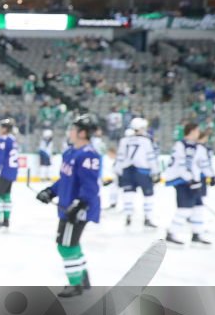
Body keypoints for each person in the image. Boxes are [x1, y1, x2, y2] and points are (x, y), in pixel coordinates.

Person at [36, 114, 102, 298]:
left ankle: (75, 284)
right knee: (71, 243)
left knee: (66, 246)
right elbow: (65, 180)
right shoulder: (70, 152)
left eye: (73, 129)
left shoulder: (88, 155)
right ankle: (83, 279)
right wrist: (50, 191)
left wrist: (79, 205)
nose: (70, 132)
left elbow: (90, 186)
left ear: (82, 133)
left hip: (78, 209)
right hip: (67, 206)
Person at [163, 123, 210, 246]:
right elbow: (180, 166)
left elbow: (202, 164)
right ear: (192, 131)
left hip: (193, 182)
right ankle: (171, 234)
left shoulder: (197, 147)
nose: (199, 133)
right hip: (183, 182)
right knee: (185, 209)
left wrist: (211, 175)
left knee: (198, 208)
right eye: (197, 130)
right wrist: (190, 180)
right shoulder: (181, 145)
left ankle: (197, 234)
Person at [115, 118, 159, 228]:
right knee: (148, 195)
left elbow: (120, 157)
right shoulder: (146, 141)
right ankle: (148, 218)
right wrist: (156, 171)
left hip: (127, 171)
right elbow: (151, 157)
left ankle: (128, 217)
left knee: (128, 194)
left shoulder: (124, 140)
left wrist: (118, 171)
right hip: (142, 171)